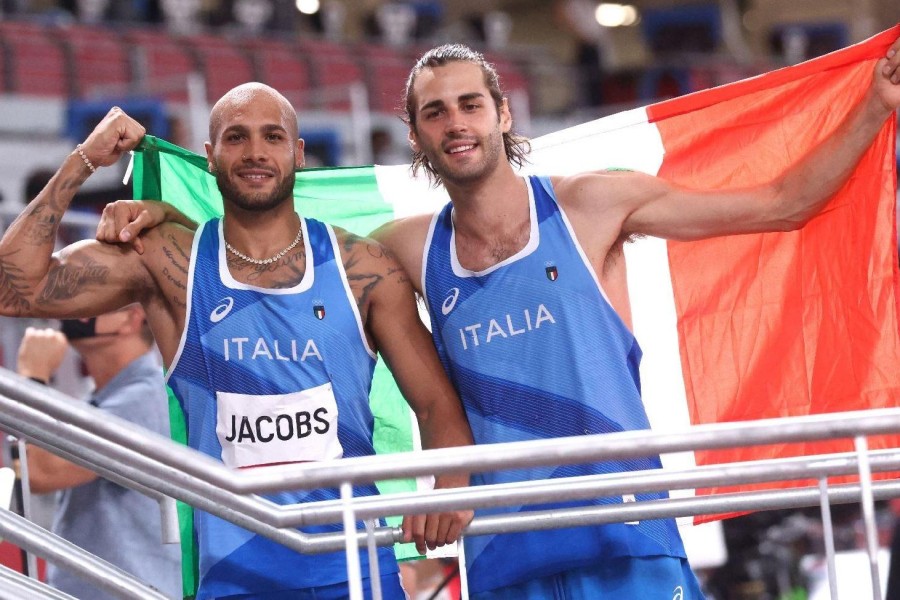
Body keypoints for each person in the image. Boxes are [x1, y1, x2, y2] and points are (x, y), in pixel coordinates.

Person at [97, 41, 900, 599]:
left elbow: (785, 205)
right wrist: (164, 215)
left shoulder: (592, 206)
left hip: (622, 532)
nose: (456, 123)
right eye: (436, 113)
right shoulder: (403, 249)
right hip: (502, 553)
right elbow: (267, 241)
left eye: (470, 104)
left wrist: (874, 108)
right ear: (416, 138)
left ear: (502, 113)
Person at [0, 82, 474, 599]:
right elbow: (13, 287)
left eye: (272, 137)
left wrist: (448, 491)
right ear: (210, 156)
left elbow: (433, 402)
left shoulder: (362, 266)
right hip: (234, 576)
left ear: (297, 153)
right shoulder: (168, 264)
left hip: (355, 570)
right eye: (236, 137)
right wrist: (83, 161)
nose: (254, 152)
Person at [15, 306, 181, 600]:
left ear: (135, 318)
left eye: (96, 304)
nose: (77, 309)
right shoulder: (105, 399)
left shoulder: (143, 398)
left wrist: (33, 378)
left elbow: (38, 472)